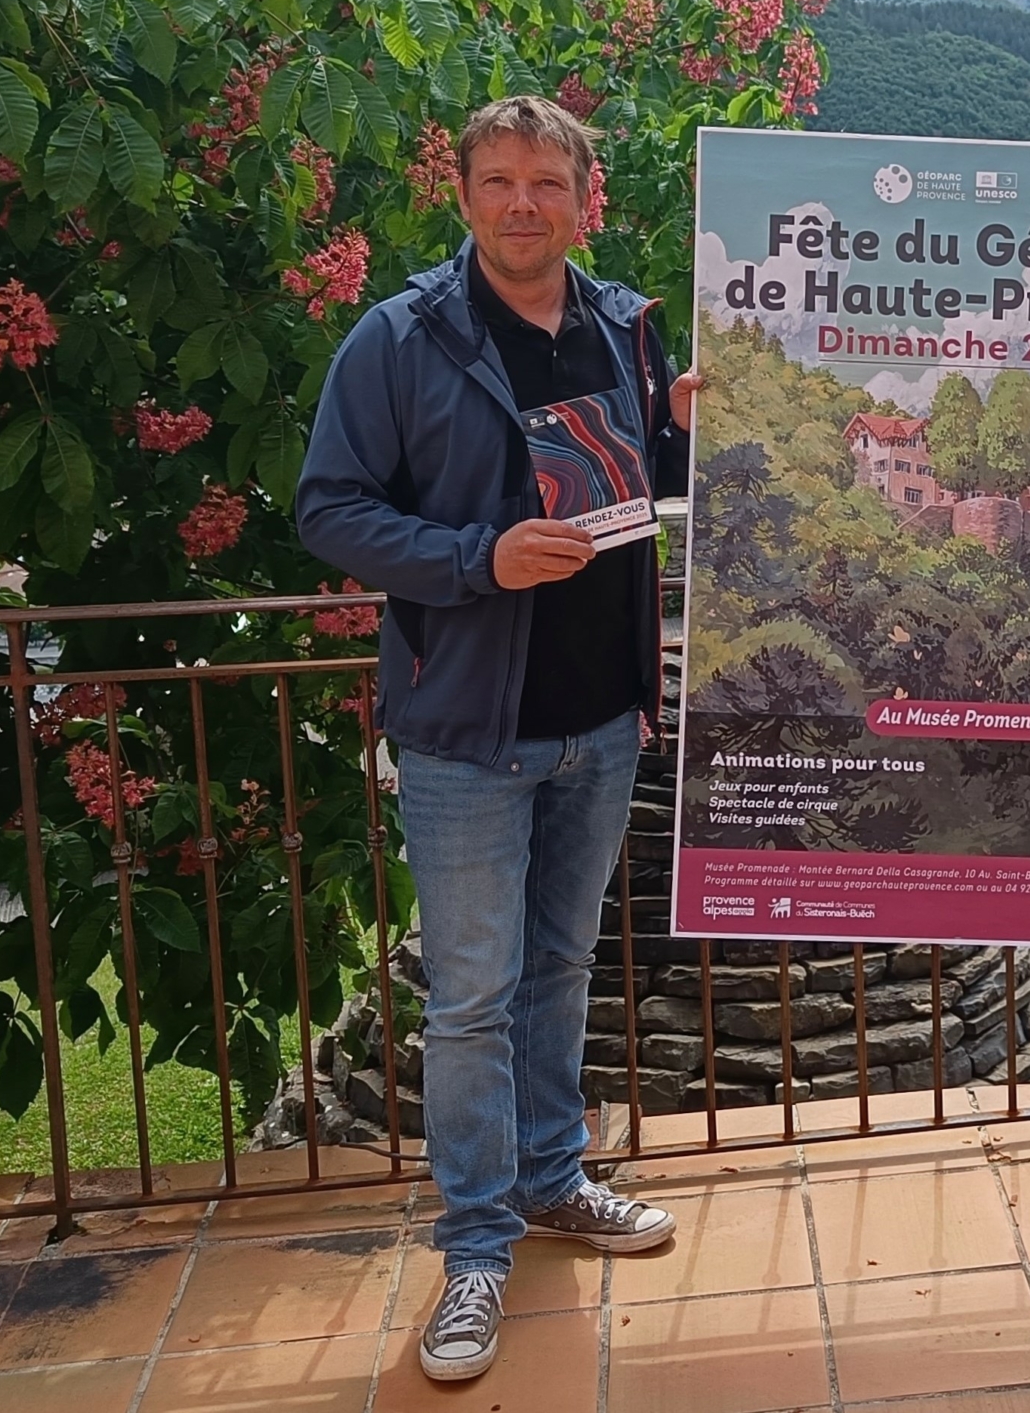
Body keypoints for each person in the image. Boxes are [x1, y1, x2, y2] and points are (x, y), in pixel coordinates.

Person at [297, 96, 696, 1381]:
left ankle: (551, 1177)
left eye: (546, 182)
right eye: (499, 181)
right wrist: (480, 557)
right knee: (470, 998)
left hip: (602, 718)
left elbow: (646, 484)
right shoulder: (400, 337)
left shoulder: (625, 325)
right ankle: (476, 1248)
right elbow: (330, 509)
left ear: (584, 196)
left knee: (560, 967)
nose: (523, 203)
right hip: (468, 729)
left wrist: (684, 428)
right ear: (462, 193)